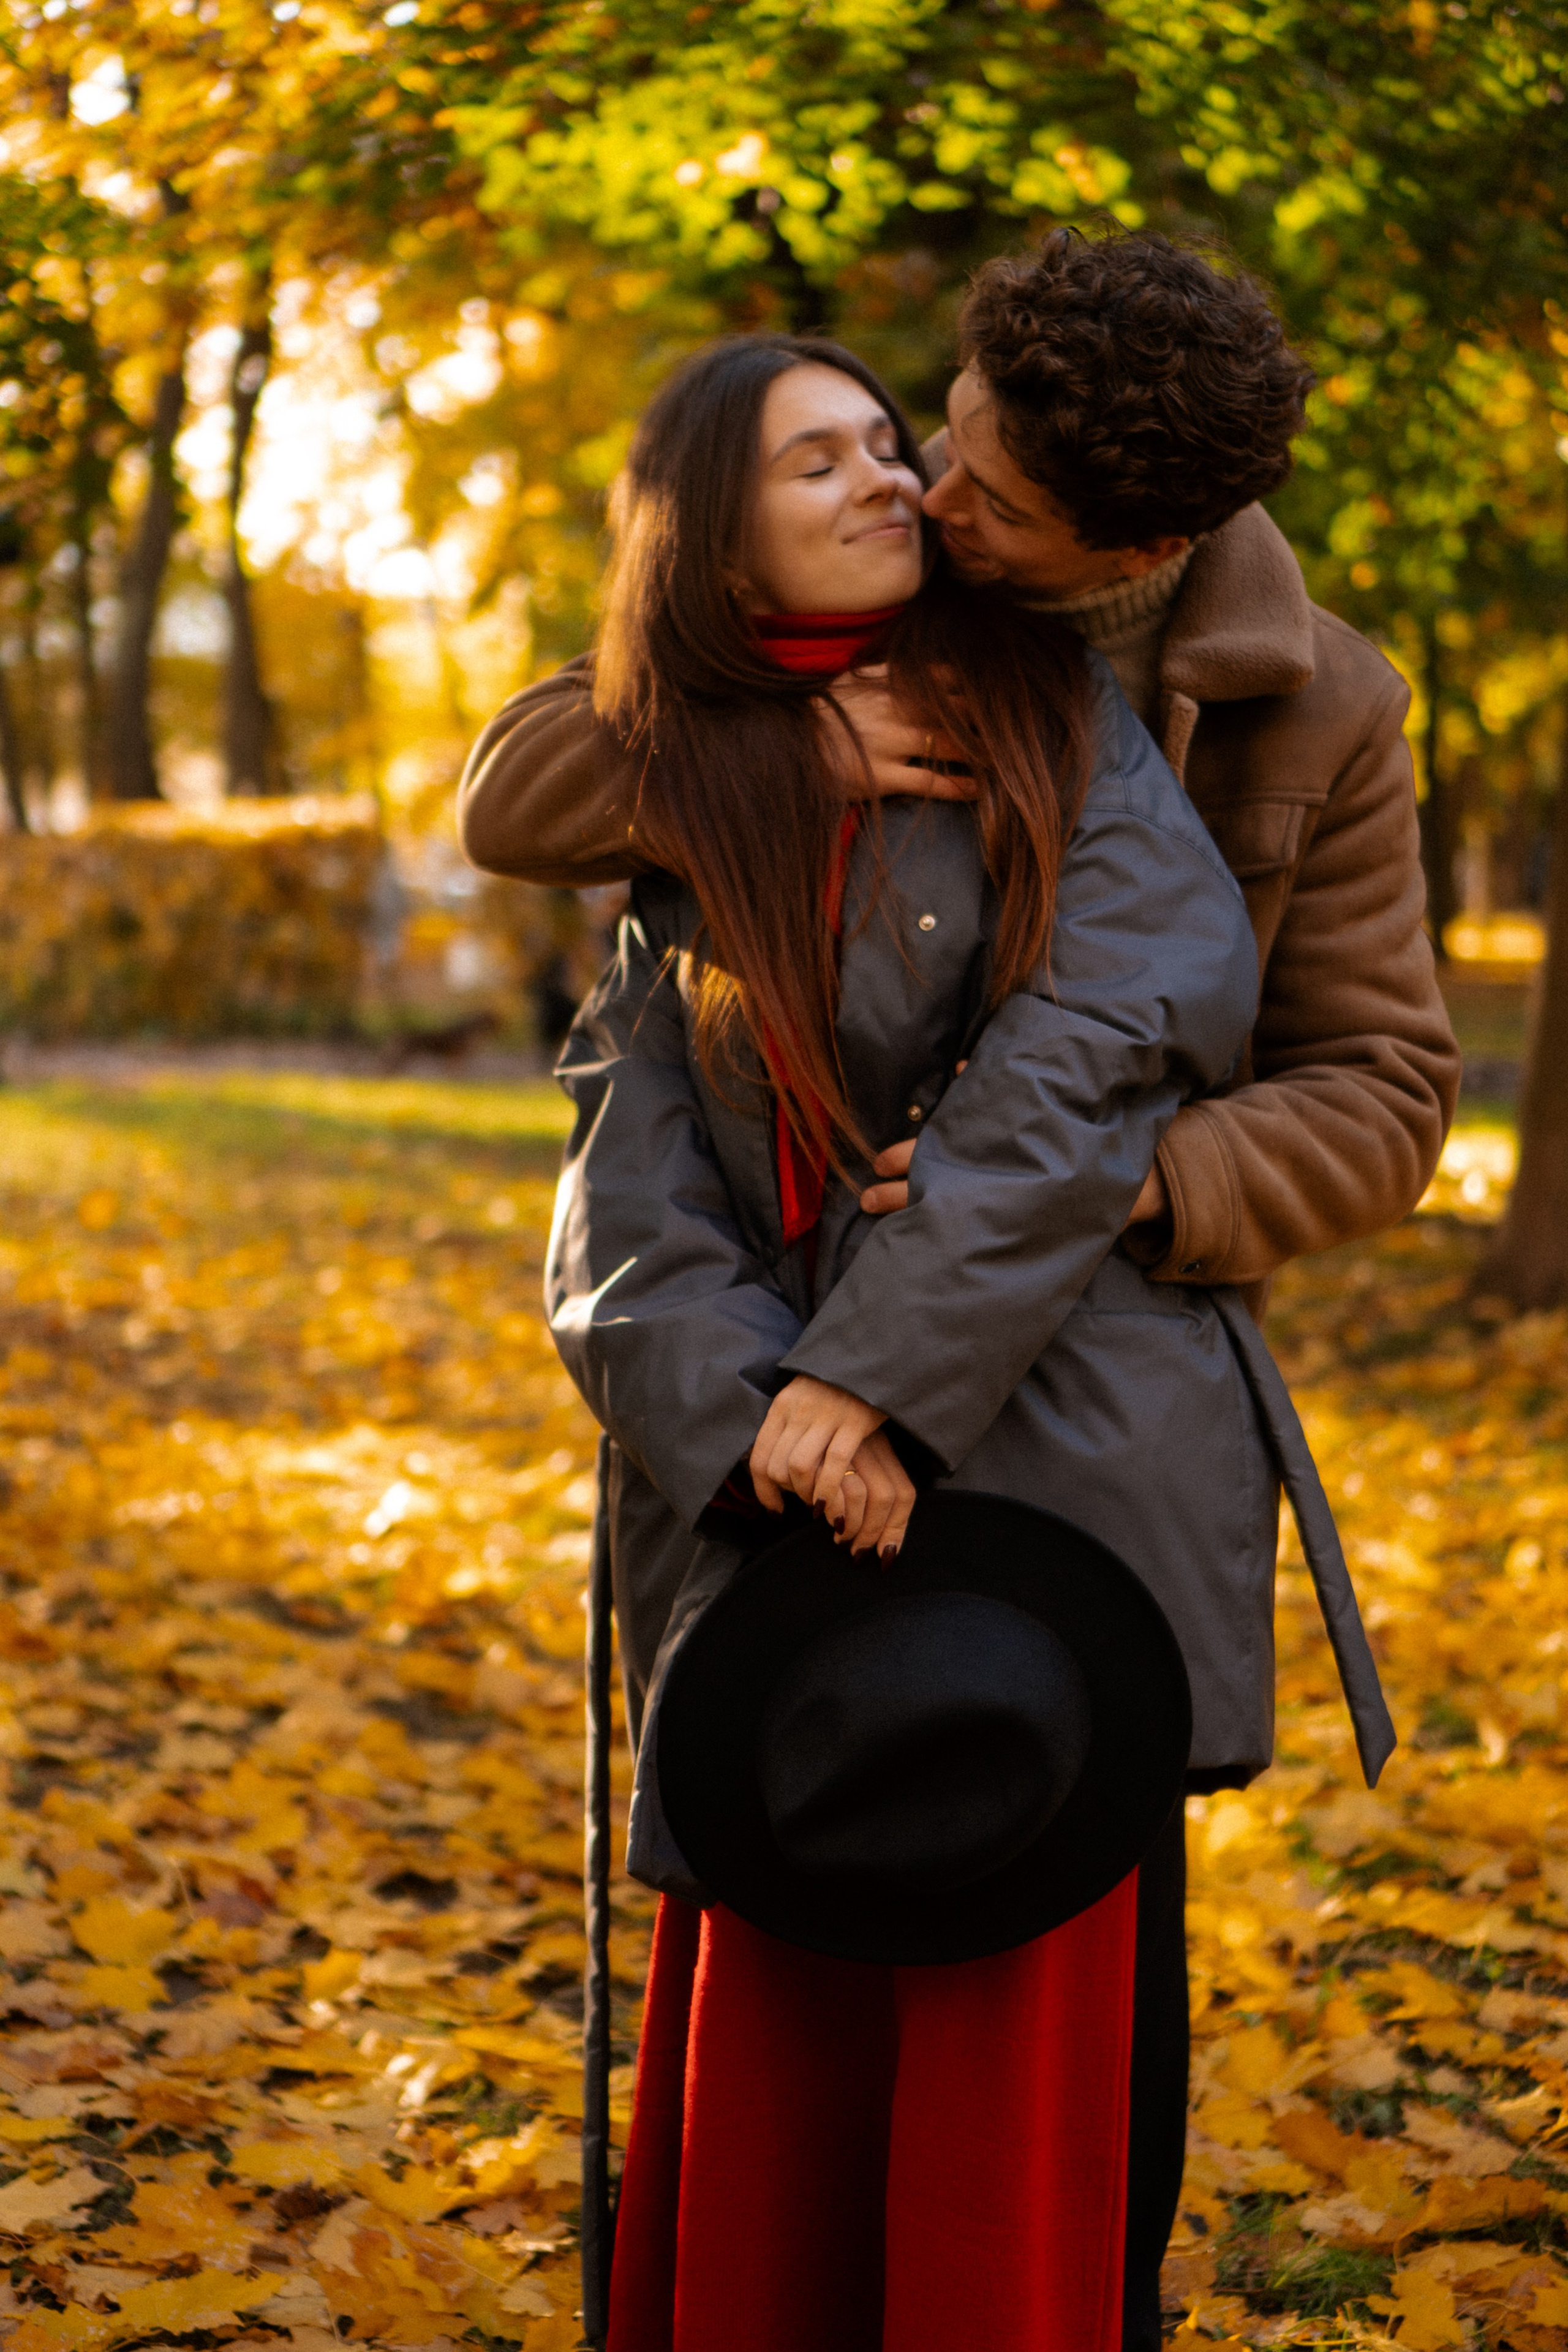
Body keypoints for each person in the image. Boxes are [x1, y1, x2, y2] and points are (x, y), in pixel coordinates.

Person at [524, 331, 1392, 2352]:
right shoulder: (683, 799)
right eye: (826, 455)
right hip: (762, 1509)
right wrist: (751, 1425)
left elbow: (1091, 1068)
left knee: (1027, 2071)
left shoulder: (1067, 715)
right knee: (784, 2041)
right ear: (712, 539)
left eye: (905, 450)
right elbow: (624, 1180)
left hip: (1052, 1471)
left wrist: (869, 1383)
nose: (902, 482)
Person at [461, 228, 1460, 1302]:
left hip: (1101, 1336)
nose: (932, 500)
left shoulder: (1328, 707)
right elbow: (518, 787)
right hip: (783, 1277)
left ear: (1147, 550)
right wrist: (788, 751)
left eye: (999, 503)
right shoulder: (871, 538)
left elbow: (1381, 1094)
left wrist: (1120, 1177)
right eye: (950, 439)